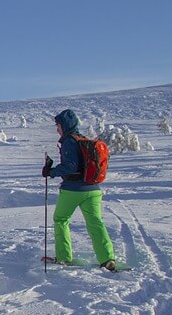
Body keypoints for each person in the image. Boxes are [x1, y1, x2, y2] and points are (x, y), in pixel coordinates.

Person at [43, 109, 117, 270]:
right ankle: (107, 259)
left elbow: (70, 166)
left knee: (61, 220)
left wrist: (51, 171)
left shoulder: (70, 141)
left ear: (65, 125)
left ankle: (64, 257)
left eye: (58, 125)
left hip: (73, 190)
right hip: (94, 189)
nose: (57, 129)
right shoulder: (84, 139)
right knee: (96, 223)